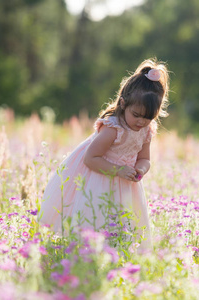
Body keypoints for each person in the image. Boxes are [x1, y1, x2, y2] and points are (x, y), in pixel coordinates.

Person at [38, 58, 170, 249]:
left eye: (148, 117)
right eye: (137, 115)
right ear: (124, 104)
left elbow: (144, 158)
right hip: (99, 176)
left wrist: (140, 169)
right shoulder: (113, 127)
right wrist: (118, 170)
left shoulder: (146, 130)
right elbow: (90, 159)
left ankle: (114, 253)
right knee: (95, 217)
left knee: (121, 221)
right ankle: (85, 253)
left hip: (124, 181)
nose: (141, 121)